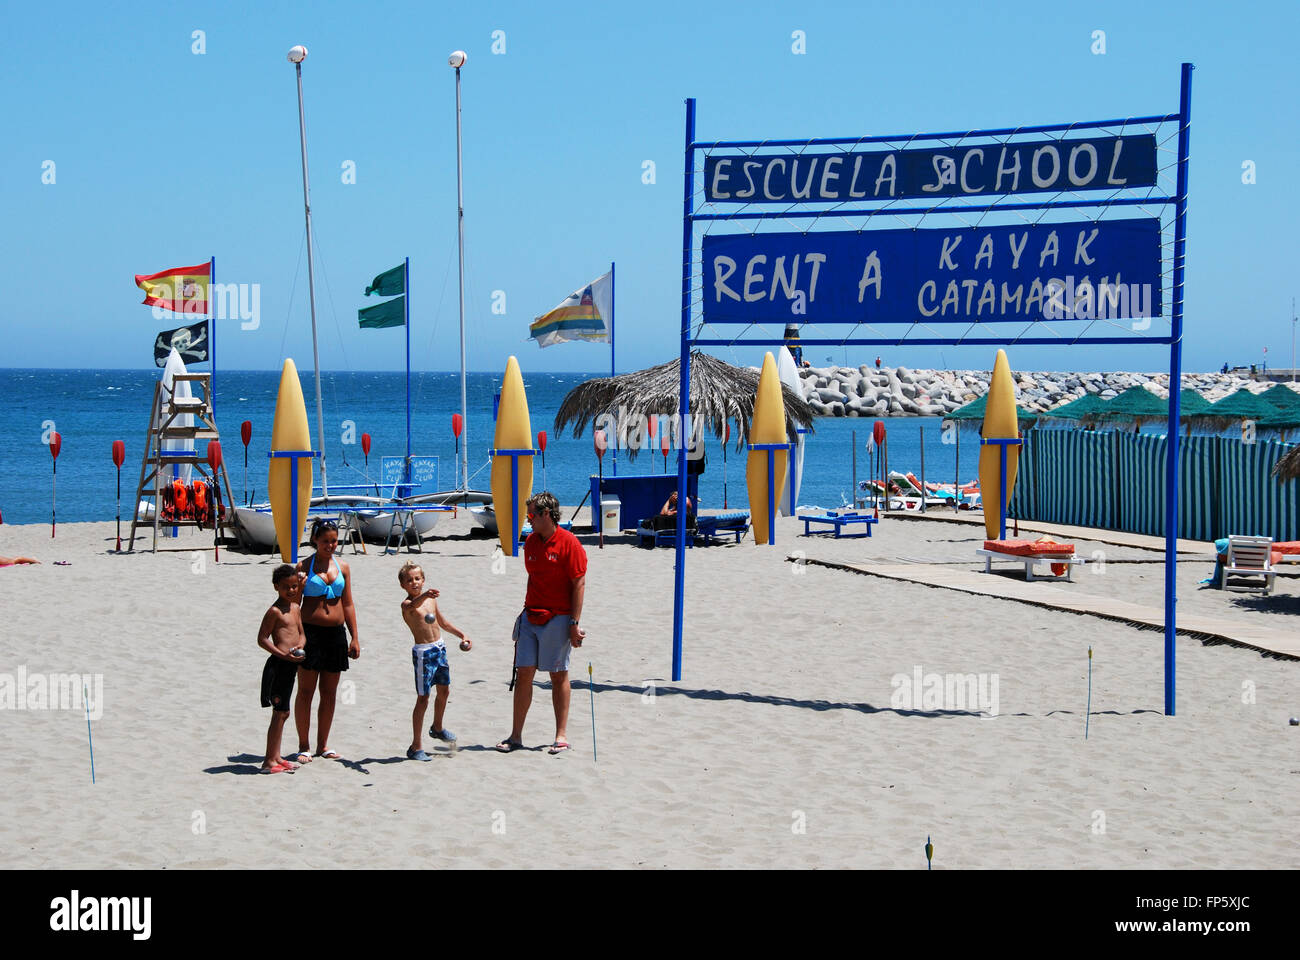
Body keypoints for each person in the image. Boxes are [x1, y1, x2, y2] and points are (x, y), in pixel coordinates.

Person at [497, 492, 587, 755]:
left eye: (532, 516)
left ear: (547, 515)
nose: (529, 521)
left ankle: (561, 736)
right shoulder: (532, 542)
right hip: (530, 616)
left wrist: (574, 623)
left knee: (558, 675)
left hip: (558, 618)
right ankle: (516, 736)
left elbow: (579, 584)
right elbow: (533, 578)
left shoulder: (570, 543)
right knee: (523, 673)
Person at [293, 519, 359, 762]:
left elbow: (348, 603)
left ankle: (323, 745)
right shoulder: (303, 566)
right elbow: (294, 604)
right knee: (306, 691)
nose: (331, 545)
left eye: (334, 540)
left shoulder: (343, 567)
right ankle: (304, 745)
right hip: (310, 634)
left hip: (336, 635)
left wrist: (355, 637)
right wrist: (296, 636)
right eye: (325, 541)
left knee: (329, 693)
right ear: (315, 541)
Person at [398, 561, 470, 761]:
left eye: (417, 578)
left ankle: (437, 727)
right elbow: (412, 605)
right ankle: (416, 746)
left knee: (445, 690)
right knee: (423, 698)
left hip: (439, 649)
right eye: (409, 580)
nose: (414, 582)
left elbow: (443, 622)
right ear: (403, 585)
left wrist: (461, 635)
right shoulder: (407, 605)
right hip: (423, 654)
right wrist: (425, 595)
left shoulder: (431, 601)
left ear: (423, 580)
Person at [256, 565, 307, 774]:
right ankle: (269, 761)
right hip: (279, 666)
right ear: (276, 587)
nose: (292, 590)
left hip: (292, 664)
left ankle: (276, 756)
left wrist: (301, 645)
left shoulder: (295, 608)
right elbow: (262, 639)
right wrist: (281, 654)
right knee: (279, 712)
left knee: (284, 712)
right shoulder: (274, 611)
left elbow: (302, 633)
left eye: (295, 586)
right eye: (286, 587)